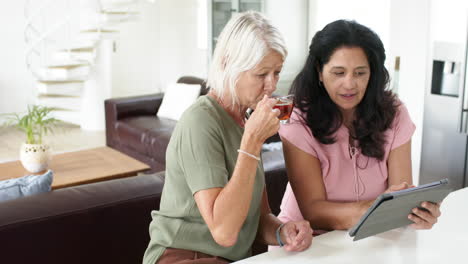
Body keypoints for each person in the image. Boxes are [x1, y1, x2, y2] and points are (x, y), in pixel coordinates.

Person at [142, 11, 313, 264]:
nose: (271, 85)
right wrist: (253, 142)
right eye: (261, 74)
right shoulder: (201, 120)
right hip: (182, 257)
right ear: (228, 64)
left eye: (276, 72)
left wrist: (281, 231)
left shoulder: (246, 122)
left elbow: (256, 218)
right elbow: (224, 232)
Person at [276, 19, 441, 233]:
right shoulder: (296, 120)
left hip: (368, 237)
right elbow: (314, 212)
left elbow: (400, 194)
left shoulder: (395, 113)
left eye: (360, 73)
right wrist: (377, 208)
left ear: (372, 73)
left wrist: (416, 213)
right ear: (319, 71)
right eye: (338, 73)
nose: (350, 84)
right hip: (306, 241)